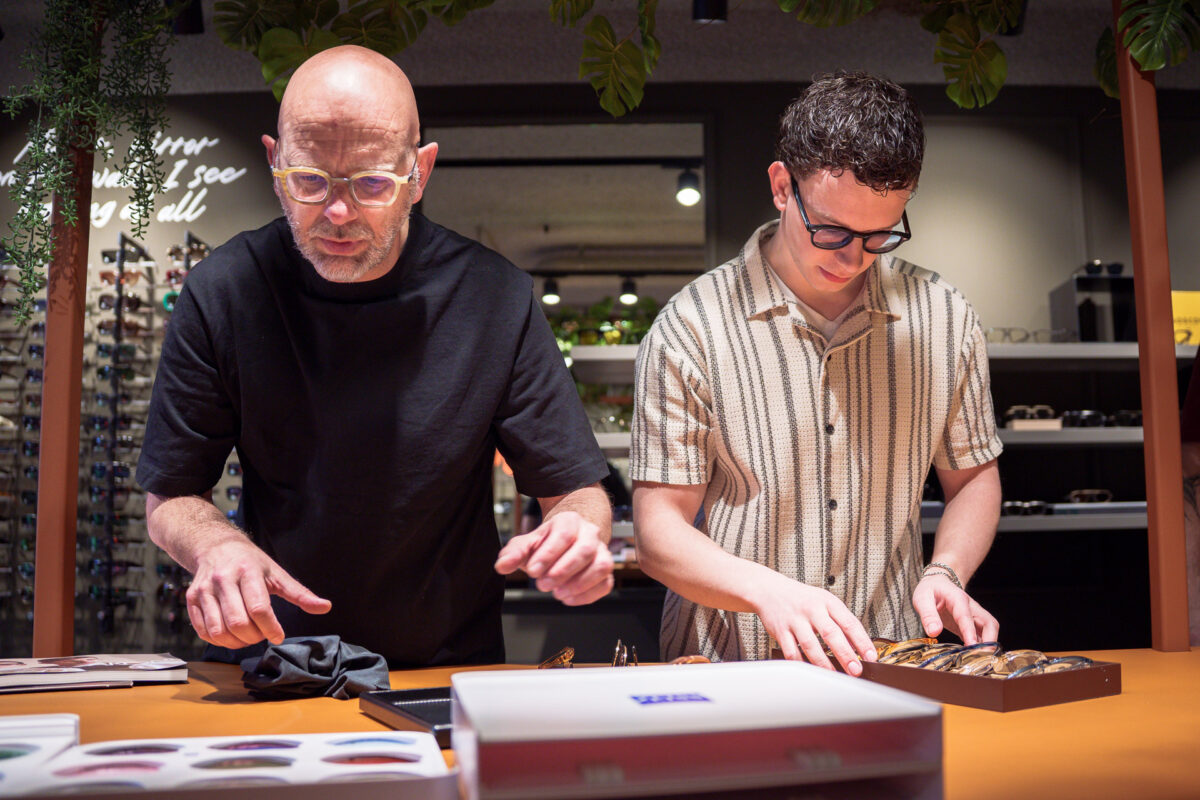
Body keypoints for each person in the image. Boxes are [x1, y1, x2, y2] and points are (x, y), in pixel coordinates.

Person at [137, 46, 614, 668]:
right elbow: (171, 496)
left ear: (420, 173)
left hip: (444, 667)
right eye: (309, 181)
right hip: (273, 659)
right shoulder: (223, 291)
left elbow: (574, 490)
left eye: (371, 184)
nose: (337, 213)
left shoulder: (495, 297)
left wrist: (578, 530)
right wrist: (216, 546)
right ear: (275, 163)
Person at [630, 72, 1003, 674]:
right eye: (831, 230)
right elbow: (657, 533)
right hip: (730, 664)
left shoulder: (945, 317)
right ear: (783, 187)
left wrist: (947, 570)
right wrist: (768, 591)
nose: (852, 258)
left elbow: (974, 479)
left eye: (879, 235)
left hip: (890, 662)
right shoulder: (691, 325)